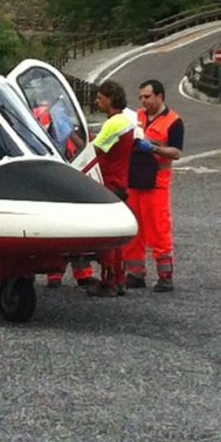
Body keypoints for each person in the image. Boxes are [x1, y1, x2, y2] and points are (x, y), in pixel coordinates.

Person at [123, 78, 184, 293]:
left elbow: (176, 152)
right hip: (134, 180)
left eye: (147, 97)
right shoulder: (136, 117)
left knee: (158, 230)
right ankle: (135, 273)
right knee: (134, 230)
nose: (143, 101)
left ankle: (165, 276)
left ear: (160, 96)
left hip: (156, 184)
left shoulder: (173, 122)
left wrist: (154, 149)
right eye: (141, 97)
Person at [85, 79, 135, 297]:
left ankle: (108, 281)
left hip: (108, 183)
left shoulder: (113, 123)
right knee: (116, 237)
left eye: (100, 98)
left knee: (107, 239)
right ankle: (119, 279)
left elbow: (93, 150)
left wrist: (75, 136)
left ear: (110, 98)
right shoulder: (126, 120)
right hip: (121, 181)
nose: (97, 102)